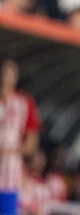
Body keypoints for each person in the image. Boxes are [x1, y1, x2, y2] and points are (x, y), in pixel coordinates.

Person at [0, 59, 41, 207]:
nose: (6, 77)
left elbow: (31, 144)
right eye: (3, 73)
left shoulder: (24, 103)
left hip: (9, 176)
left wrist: (9, 151)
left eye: (10, 74)